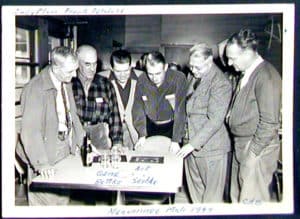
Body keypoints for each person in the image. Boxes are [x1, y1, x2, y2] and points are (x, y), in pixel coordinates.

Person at [16, 46, 85, 205]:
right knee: (45, 202)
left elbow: (72, 115)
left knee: (61, 199)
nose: (74, 75)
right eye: (70, 71)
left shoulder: (65, 82)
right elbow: (31, 131)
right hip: (43, 150)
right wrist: (42, 163)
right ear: (55, 67)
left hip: (63, 147)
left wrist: (81, 142)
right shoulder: (35, 88)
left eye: (75, 70)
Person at [225, 29, 282, 202]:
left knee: (251, 203)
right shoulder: (248, 73)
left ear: (248, 53)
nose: (228, 63)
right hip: (242, 144)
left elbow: (270, 123)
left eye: (232, 58)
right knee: (238, 199)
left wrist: (252, 154)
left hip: (255, 147)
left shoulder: (266, 76)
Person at [176, 43, 232, 203]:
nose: (193, 71)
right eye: (191, 66)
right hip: (189, 145)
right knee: (196, 195)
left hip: (211, 148)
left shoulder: (220, 83)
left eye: (198, 67)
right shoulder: (193, 76)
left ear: (209, 61)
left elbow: (215, 120)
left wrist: (192, 144)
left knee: (211, 200)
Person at [132, 51, 187, 152]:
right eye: (150, 74)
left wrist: (176, 140)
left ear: (165, 67)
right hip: (150, 126)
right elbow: (138, 108)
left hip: (172, 127)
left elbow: (180, 111)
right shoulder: (142, 80)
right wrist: (142, 134)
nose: (154, 78)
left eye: (158, 73)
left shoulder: (179, 78)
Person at [72, 45, 123, 151]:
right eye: (87, 64)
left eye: (95, 64)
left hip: (99, 136)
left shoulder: (105, 84)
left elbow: (114, 115)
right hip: (74, 135)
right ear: (77, 63)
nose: (92, 69)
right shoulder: (69, 84)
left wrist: (117, 143)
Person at [99, 49, 143, 150]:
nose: (123, 75)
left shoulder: (142, 78)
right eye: (118, 71)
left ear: (131, 67)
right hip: (111, 132)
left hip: (136, 131)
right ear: (111, 68)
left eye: (126, 71)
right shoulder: (101, 79)